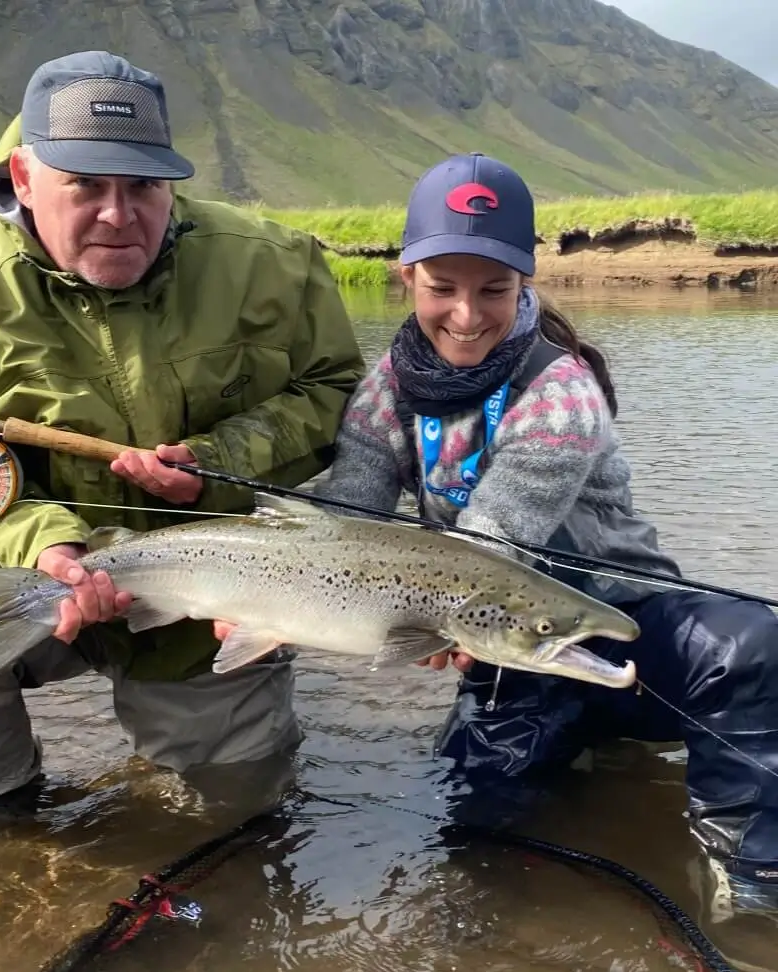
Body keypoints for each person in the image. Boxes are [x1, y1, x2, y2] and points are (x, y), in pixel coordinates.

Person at [0, 50, 364, 809]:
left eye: (142, 187)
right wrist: (44, 547)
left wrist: (217, 461)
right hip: (37, 574)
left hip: (205, 591)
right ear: (25, 179)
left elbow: (334, 389)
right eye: (86, 185)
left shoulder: (276, 267)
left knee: (237, 809)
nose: (119, 215)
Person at [311, 151, 778, 926]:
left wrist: (434, 622)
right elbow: (346, 532)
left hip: (626, 632)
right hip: (507, 645)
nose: (467, 315)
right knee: (473, 840)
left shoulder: (562, 392)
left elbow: (494, 541)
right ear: (406, 277)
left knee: (752, 646)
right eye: (443, 288)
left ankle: (752, 877)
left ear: (525, 281)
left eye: (493, 289)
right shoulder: (382, 397)